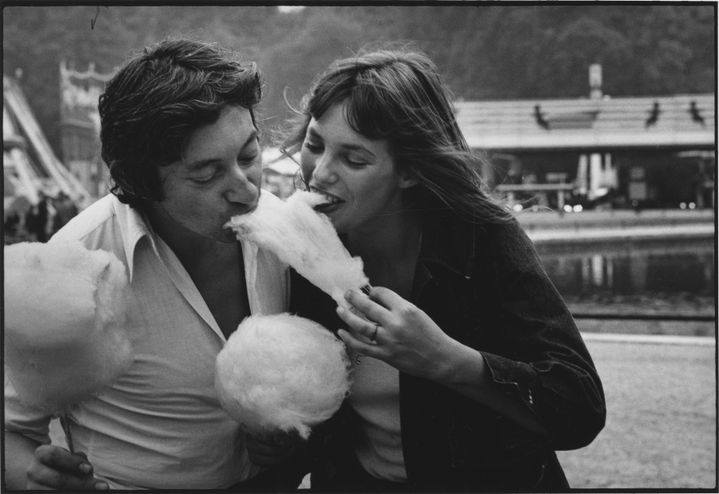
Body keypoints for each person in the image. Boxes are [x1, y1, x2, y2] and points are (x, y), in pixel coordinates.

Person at [284, 49, 606, 491]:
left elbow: (579, 407)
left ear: (411, 170)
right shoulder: (300, 253)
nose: (319, 173)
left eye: (353, 160)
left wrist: (444, 359)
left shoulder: (480, 240)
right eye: (315, 144)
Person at [4, 39, 293, 490]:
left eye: (249, 156)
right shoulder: (77, 261)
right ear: (141, 181)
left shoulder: (288, 233)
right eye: (207, 174)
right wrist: (35, 479)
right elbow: (11, 430)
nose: (247, 190)